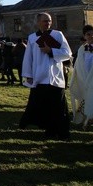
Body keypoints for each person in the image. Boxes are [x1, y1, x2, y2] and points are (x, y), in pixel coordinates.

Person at [19, 12, 72, 140]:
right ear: (38, 22)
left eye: (49, 21)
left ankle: (61, 132)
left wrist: (51, 51)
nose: (47, 23)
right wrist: (28, 74)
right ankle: (48, 129)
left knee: (58, 107)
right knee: (43, 106)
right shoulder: (32, 38)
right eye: (44, 21)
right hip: (39, 77)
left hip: (55, 77)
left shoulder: (58, 35)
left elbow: (67, 53)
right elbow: (28, 58)